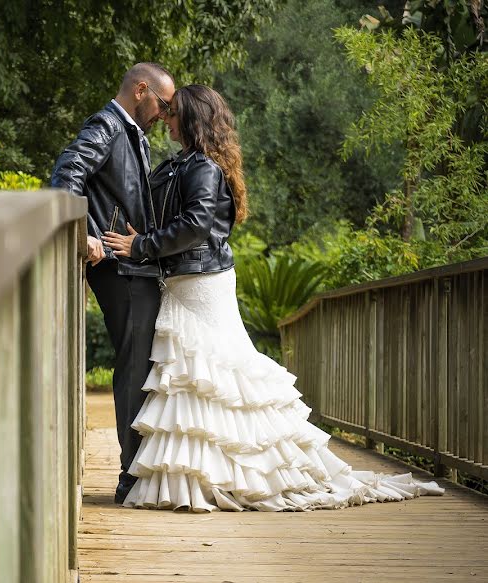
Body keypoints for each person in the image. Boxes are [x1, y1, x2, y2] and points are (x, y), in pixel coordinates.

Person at [102, 84, 444, 511]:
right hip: (183, 284)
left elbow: (193, 225)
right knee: (197, 380)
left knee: (221, 379)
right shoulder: (184, 164)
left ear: (191, 118)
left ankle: (247, 470)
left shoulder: (203, 168)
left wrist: (141, 246)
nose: (166, 119)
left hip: (201, 285)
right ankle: (202, 475)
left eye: (173, 113)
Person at [51, 63, 176, 504]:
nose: (164, 114)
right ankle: (130, 475)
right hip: (118, 269)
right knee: (133, 367)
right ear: (141, 90)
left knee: (138, 365)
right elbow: (66, 176)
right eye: (162, 103)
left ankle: (137, 470)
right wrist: (82, 231)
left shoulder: (131, 133)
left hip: (133, 267)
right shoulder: (107, 125)